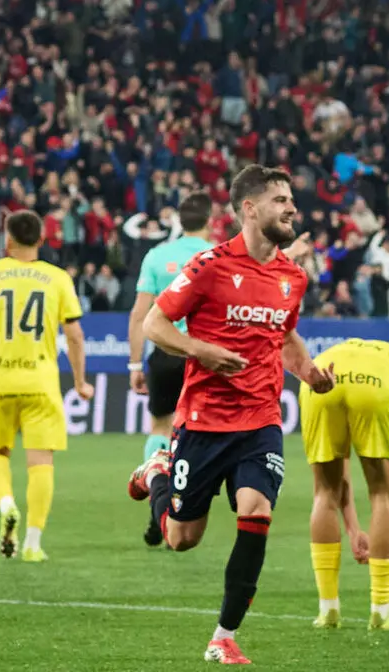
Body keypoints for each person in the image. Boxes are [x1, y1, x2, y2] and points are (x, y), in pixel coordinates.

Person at [125, 164, 337, 665]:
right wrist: (201, 350)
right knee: (182, 539)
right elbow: (156, 324)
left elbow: (283, 337)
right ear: (250, 208)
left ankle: (224, 635)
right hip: (202, 421)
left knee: (256, 511)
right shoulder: (209, 266)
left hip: (260, 421)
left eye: (291, 200)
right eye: (280, 200)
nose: (291, 208)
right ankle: (156, 471)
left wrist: (308, 373)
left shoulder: (292, 276)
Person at [0, 210, 94, 562]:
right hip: (41, 383)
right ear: (42, 239)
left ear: (7, 240)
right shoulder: (56, 278)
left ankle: (7, 504)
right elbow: (75, 335)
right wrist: (81, 382)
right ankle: (33, 544)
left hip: (0, 379)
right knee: (41, 463)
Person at [299, 338, 389, 632]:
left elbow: (343, 468)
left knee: (324, 493)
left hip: (321, 372)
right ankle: (380, 611)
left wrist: (353, 529)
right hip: (377, 383)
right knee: (382, 496)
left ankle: (327, 611)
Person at [126, 193, 215, 547]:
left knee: (160, 427)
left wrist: (135, 363)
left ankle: (156, 500)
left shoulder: (157, 256)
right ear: (209, 220)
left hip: (163, 353)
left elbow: (139, 314)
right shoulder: (217, 255)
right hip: (201, 354)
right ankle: (183, 504)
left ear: (179, 220)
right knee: (198, 429)